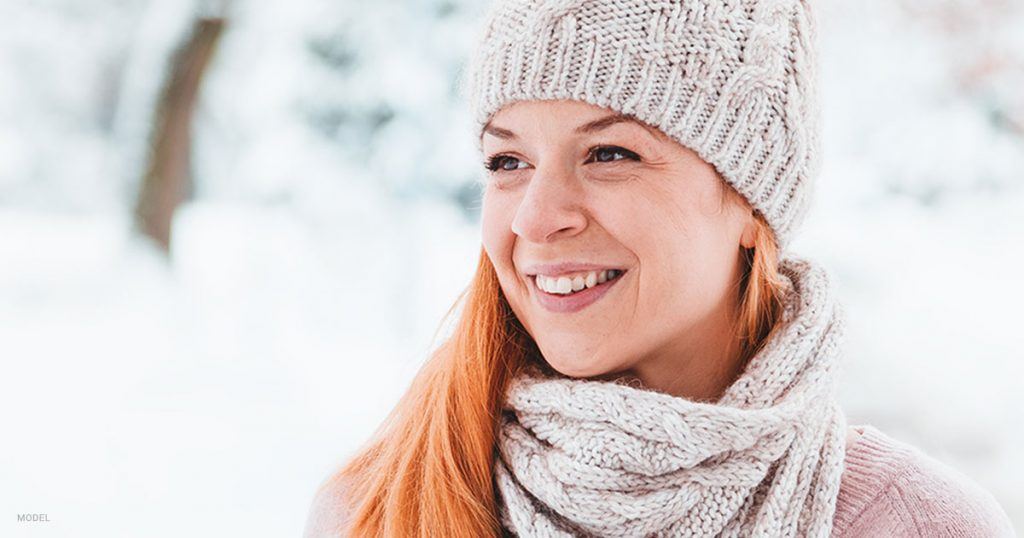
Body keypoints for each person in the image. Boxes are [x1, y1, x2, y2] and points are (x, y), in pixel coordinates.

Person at [303, 0, 1017, 536]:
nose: (534, 217)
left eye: (610, 154)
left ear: (750, 200)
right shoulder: (379, 508)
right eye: (507, 162)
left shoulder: (912, 522)